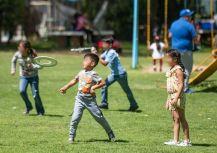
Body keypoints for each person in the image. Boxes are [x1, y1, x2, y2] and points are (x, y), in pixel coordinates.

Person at [59, 53, 115, 144]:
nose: (83, 62)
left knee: (99, 117)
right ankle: (71, 136)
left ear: (92, 63)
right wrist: (65, 87)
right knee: (75, 118)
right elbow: (74, 80)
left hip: (90, 101)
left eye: (85, 60)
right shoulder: (81, 72)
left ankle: (110, 133)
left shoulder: (93, 74)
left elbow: (103, 83)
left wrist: (93, 88)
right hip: (79, 99)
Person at [99, 37, 139, 111]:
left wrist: (98, 58)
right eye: (103, 43)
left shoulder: (111, 52)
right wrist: (94, 52)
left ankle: (134, 105)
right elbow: (101, 57)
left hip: (121, 75)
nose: (103, 45)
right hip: (114, 74)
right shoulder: (107, 52)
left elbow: (104, 63)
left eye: (105, 44)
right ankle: (104, 104)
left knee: (127, 90)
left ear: (110, 45)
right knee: (103, 85)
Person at [164, 49, 191, 147]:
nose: (166, 60)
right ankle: (175, 141)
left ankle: (187, 141)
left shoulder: (178, 70)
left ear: (175, 59)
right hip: (172, 97)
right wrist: (168, 99)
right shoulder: (172, 69)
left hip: (178, 97)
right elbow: (171, 87)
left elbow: (181, 85)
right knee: (175, 119)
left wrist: (176, 97)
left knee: (181, 118)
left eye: (168, 58)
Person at [11, 41, 45, 116]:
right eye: (19, 47)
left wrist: (33, 66)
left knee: (35, 94)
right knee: (22, 91)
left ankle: (40, 111)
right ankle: (29, 106)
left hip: (34, 77)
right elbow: (13, 61)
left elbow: (40, 66)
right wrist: (13, 69)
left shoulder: (33, 54)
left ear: (26, 49)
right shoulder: (17, 54)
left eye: (20, 47)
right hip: (23, 77)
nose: (18, 48)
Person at [169, 9, 198, 94]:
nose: (190, 17)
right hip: (186, 50)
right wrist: (197, 44)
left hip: (174, 50)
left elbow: (170, 35)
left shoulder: (173, 24)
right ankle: (185, 88)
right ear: (186, 16)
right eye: (190, 16)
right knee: (187, 69)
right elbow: (195, 38)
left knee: (177, 68)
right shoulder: (189, 25)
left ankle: (175, 87)